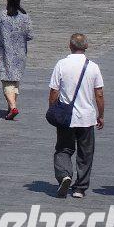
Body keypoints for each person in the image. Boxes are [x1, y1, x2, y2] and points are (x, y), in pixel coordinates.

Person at [47, 32, 106, 198]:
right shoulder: (93, 67)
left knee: (63, 149)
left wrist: (53, 110)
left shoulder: (61, 64)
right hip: (87, 117)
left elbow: (54, 91)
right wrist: (101, 114)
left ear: (70, 46)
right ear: (86, 46)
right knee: (85, 153)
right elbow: (99, 93)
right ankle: (80, 188)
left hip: (66, 117)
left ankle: (64, 175)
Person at [0, 0, 33, 120]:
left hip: (4, 53)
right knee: (15, 81)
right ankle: (10, 108)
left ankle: (13, 106)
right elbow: (30, 35)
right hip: (20, 54)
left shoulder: (1, 16)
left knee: (7, 82)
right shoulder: (25, 16)